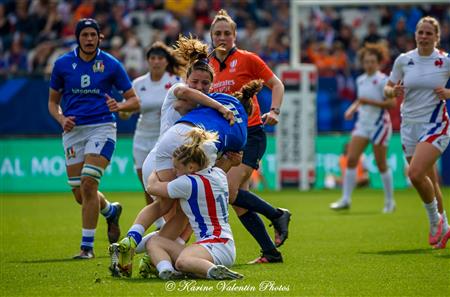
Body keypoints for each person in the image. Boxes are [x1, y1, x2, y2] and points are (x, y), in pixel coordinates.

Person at [108, 36, 255, 277]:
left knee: (182, 215)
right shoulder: (178, 91)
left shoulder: (201, 109)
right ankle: (132, 243)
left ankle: (142, 253)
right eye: (195, 81)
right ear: (186, 78)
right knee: (165, 206)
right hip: (163, 158)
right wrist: (221, 107)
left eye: (205, 84)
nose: (199, 87)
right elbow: (188, 93)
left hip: (174, 161)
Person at [48, 18, 140, 259]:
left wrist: (119, 105)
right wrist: (61, 119)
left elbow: (134, 100)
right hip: (73, 131)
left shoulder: (110, 64)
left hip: (102, 127)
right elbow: (52, 103)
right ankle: (110, 211)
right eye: (84, 35)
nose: (89, 39)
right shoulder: (62, 64)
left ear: (100, 37)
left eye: (93, 35)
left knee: (89, 183)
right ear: (77, 38)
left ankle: (86, 248)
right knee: (81, 195)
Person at [209, 9, 290, 264]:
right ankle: (270, 252)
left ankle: (277, 214)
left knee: (229, 191)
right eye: (217, 33)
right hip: (225, 139)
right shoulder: (206, 65)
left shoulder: (248, 59)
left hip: (251, 133)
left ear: (235, 36)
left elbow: (277, 84)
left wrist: (275, 110)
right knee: (238, 201)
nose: (222, 38)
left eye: (227, 33)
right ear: (211, 36)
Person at [384, 16, 450, 248]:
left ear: (436, 37)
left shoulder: (444, 61)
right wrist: (393, 92)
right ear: (415, 35)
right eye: (420, 32)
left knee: (414, 174)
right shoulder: (404, 60)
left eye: (428, 33)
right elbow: (387, 87)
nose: (423, 37)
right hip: (409, 126)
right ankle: (445, 228)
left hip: (435, 125)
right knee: (427, 179)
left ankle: (435, 222)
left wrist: (449, 93)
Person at [144, 128, 243, 280]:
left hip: (214, 244)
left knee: (183, 261)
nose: (173, 171)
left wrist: (156, 168)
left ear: (191, 167)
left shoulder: (187, 183)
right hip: (222, 244)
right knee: (154, 242)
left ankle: (215, 271)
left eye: (176, 167)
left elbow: (152, 187)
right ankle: (168, 272)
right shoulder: (218, 174)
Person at [330, 43, 396, 213]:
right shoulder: (360, 80)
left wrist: (368, 102)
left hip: (380, 125)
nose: (369, 64)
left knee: (381, 163)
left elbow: (391, 103)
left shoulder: (383, 81)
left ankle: (390, 201)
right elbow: (361, 99)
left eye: (372, 61)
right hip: (363, 124)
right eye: (366, 61)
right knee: (351, 159)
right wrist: (352, 109)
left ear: (378, 62)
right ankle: (345, 199)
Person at [121, 42, 184, 207]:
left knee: (164, 180)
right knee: (146, 183)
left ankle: (167, 222)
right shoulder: (138, 84)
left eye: (160, 58)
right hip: (142, 137)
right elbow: (125, 112)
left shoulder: (176, 81)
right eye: (153, 58)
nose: (156, 62)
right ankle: (158, 223)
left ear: (166, 61)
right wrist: (123, 110)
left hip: (165, 138)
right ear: (148, 61)